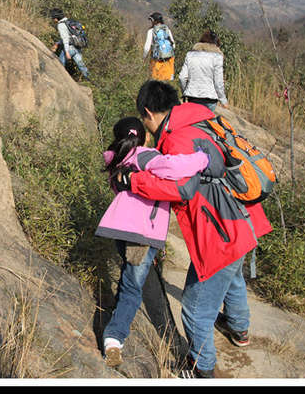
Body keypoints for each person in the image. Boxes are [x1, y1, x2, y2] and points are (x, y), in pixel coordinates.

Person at [116, 80, 273, 378]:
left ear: (149, 113)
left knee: (195, 309)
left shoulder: (177, 139)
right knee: (232, 275)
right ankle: (239, 330)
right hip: (243, 220)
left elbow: (181, 188)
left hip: (220, 232)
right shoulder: (202, 117)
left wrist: (133, 181)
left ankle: (201, 370)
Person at [96, 116, 210, 368]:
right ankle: (114, 339)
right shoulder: (143, 156)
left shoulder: (116, 159)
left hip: (118, 229)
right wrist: (203, 158)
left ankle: (115, 329)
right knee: (131, 289)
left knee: (129, 279)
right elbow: (173, 167)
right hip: (142, 233)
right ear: (144, 137)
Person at [177, 29, 228, 111]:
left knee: (193, 122)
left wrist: (185, 91)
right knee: (206, 122)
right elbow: (218, 82)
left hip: (192, 97)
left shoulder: (190, 55)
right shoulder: (217, 57)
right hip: (210, 98)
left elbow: (182, 77)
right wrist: (223, 100)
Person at [50, 8, 92, 82]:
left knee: (60, 64)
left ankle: (59, 81)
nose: (52, 19)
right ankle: (91, 81)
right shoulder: (69, 21)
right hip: (77, 48)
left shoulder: (61, 25)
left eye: (53, 18)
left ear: (56, 18)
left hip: (69, 48)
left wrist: (67, 52)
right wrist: (57, 43)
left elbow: (65, 39)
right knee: (82, 66)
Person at [143, 12, 176, 81]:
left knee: (156, 82)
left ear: (155, 21)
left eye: (151, 20)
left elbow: (147, 48)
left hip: (156, 60)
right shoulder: (167, 30)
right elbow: (173, 45)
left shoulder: (151, 31)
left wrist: (144, 58)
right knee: (167, 81)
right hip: (169, 60)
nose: (151, 22)